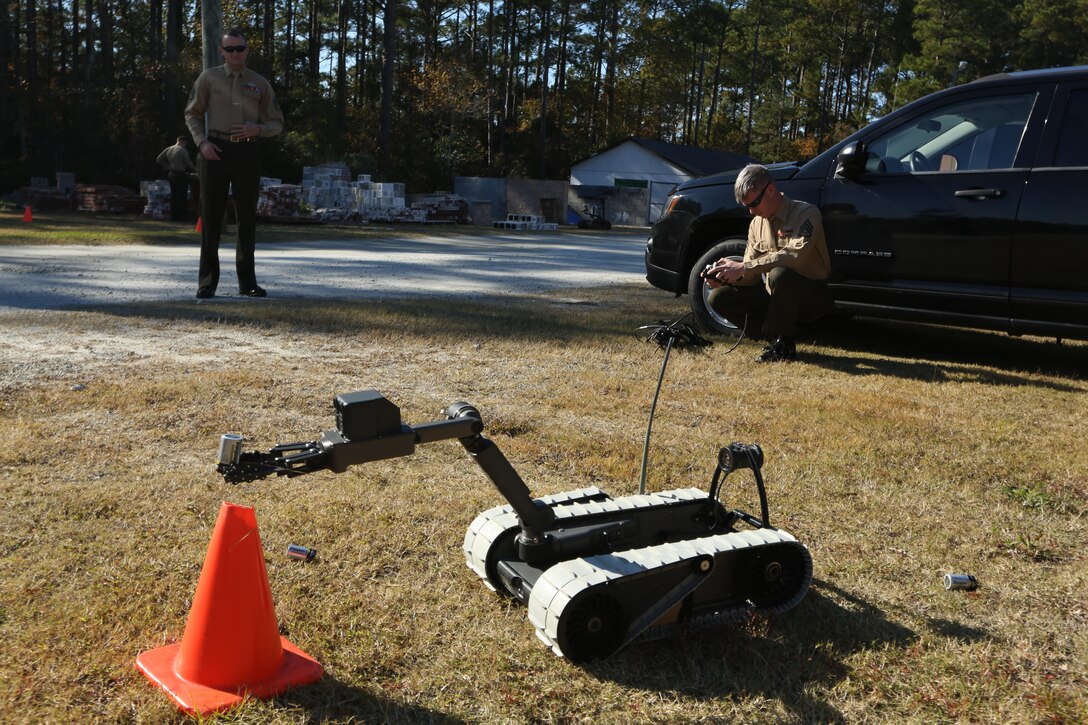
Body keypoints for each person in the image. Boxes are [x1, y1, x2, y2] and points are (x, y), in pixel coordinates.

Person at [184, 27, 284, 299]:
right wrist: (202, 143)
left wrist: (258, 130)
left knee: (247, 218)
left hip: (247, 152)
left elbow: (276, 122)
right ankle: (207, 283)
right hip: (214, 150)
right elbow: (192, 113)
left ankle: (247, 283)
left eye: (240, 48)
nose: (235, 53)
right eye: (230, 49)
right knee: (212, 216)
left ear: (247, 50)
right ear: (222, 51)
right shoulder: (209, 78)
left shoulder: (259, 83)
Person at [702, 164, 831, 362]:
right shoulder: (756, 224)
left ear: (770, 189)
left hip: (810, 295)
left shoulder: (806, 213)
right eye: (747, 207)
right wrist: (726, 277)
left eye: (754, 204)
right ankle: (777, 339)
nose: (752, 211)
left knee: (781, 273)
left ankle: (783, 342)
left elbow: (795, 256)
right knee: (718, 297)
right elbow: (751, 275)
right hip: (774, 296)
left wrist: (744, 267)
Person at [156, 136, 197, 221]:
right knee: (182, 196)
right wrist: (196, 170)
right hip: (180, 174)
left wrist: (167, 167)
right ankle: (182, 217)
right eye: (185, 143)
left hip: (171, 174)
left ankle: (173, 217)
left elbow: (159, 159)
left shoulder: (169, 149)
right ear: (183, 142)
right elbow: (188, 163)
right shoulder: (182, 150)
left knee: (173, 196)